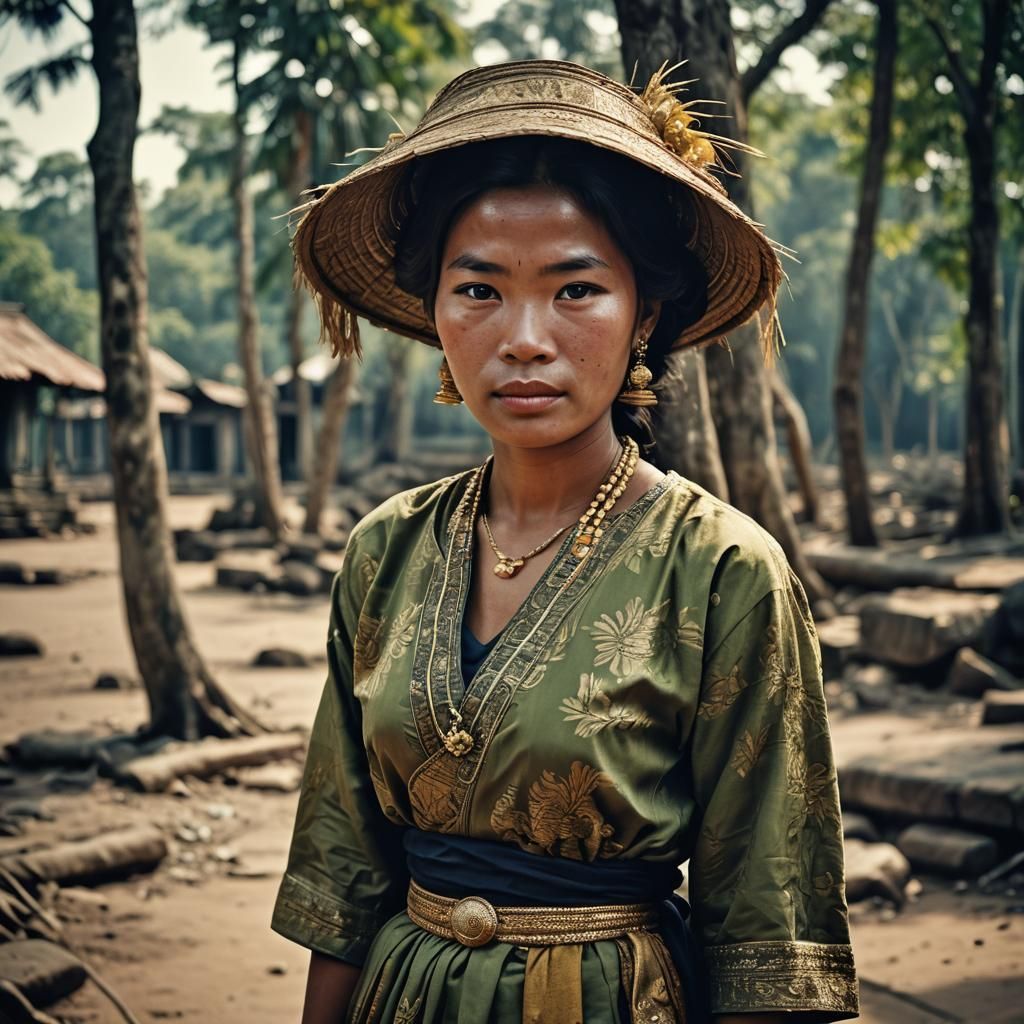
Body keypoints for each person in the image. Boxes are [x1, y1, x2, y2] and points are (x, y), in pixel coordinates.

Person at [271, 58, 859, 1024]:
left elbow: (767, 920)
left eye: (576, 289)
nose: (526, 337)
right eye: (479, 289)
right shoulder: (388, 550)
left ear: (645, 315)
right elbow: (345, 873)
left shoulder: (721, 571)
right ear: (435, 314)